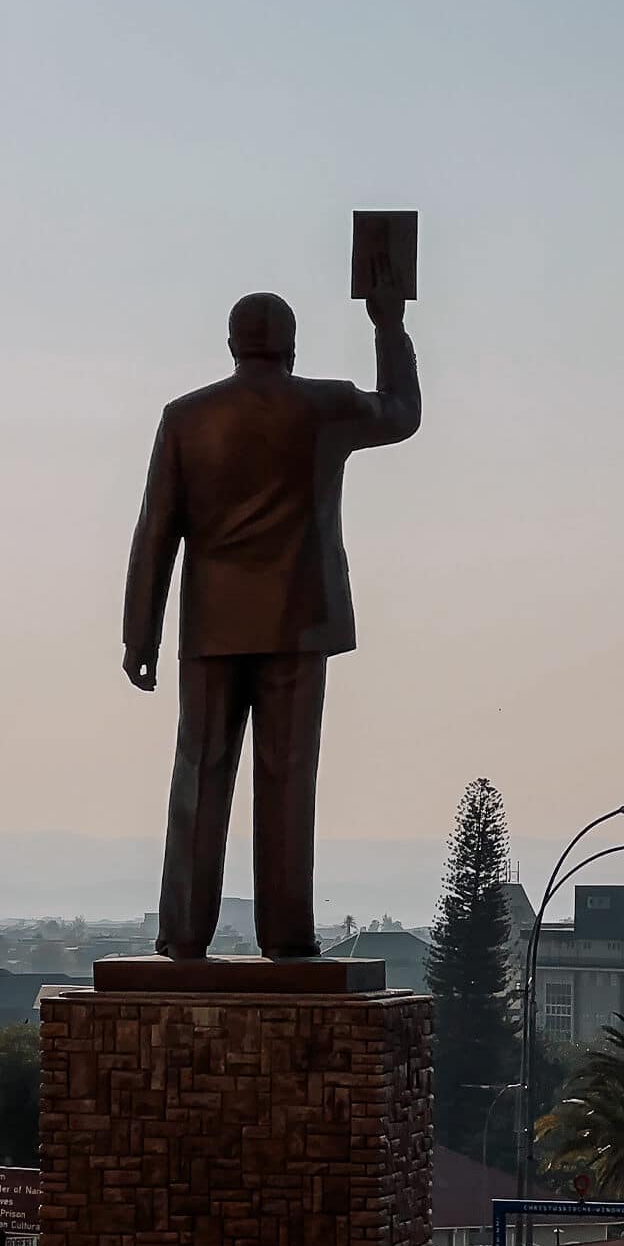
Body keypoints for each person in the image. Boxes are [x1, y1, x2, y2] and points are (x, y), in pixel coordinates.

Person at [123, 288, 420, 958]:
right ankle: (286, 935)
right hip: (299, 622)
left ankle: (184, 934)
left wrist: (140, 633)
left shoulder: (185, 418)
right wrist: (389, 326)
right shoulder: (324, 406)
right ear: (291, 346)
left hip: (211, 628)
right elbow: (403, 414)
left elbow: (155, 532)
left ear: (231, 346)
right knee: (288, 777)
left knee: (198, 775)